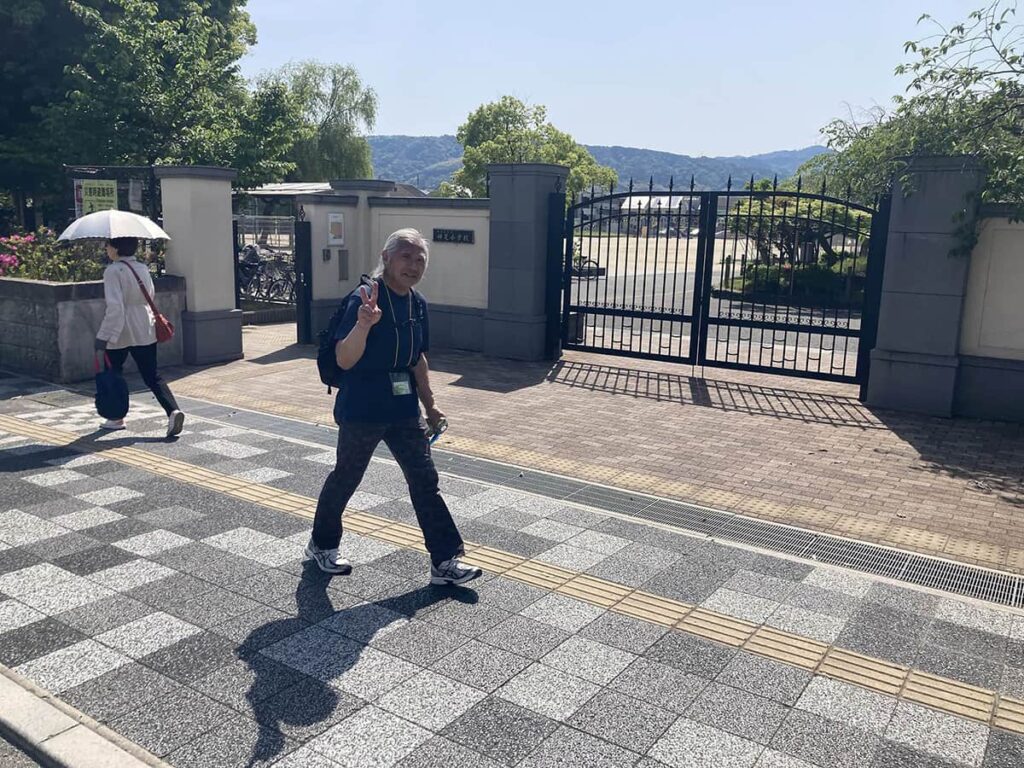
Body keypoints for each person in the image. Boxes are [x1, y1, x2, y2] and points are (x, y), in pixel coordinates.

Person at [306, 228, 481, 587]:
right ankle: (322, 545)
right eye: (406, 256)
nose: (413, 265)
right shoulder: (364, 298)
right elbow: (344, 358)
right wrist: (363, 325)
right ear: (386, 258)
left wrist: (431, 406)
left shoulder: (418, 303)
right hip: (362, 405)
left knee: (425, 480)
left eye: (420, 259)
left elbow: (417, 359)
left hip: (403, 408)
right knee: (346, 477)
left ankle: (445, 561)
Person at [94, 237, 184, 437]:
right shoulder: (142, 268)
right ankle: (173, 410)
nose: (106, 248)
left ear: (116, 248)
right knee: (152, 375)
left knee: (113, 372)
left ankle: (116, 417)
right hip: (144, 326)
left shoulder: (113, 271)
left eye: (108, 245)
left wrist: (104, 335)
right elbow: (149, 295)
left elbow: (115, 307)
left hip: (121, 329)